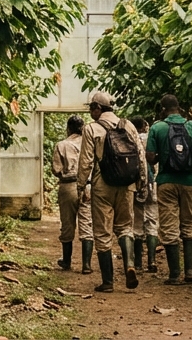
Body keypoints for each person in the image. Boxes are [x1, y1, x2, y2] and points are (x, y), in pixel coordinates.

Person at [77, 91, 146, 292]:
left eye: (91, 108)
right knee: (125, 227)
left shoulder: (91, 129)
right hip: (126, 184)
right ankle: (130, 265)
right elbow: (140, 156)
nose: (90, 111)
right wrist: (142, 181)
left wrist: (81, 186)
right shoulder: (128, 125)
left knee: (102, 231)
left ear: (98, 108)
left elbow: (85, 161)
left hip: (102, 185)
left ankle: (108, 282)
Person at [144, 93, 192, 285]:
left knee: (169, 226)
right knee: (189, 224)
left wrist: (164, 159)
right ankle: (190, 272)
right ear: (179, 108)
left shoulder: (157, 127)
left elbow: (149, 156)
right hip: (189, 181)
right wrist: (189, 162)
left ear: (163, 109)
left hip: (166, 181)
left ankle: (174, 274)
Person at [51, 115, 94, 273]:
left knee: (67, 224)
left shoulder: (61, 145)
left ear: (68, 128)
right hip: (88, 187)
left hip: (68, 185)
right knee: (87, 223)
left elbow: (56, 169)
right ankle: (87, 265)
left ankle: (67, 261)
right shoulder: (90, 143)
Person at [131, 117, 159, 274]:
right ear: (144, 127)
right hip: (153, 184)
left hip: (136, 185)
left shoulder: (130, 139)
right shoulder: (151, 139)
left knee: (137, 223)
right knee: (152, 222)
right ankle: (152, 260)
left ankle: (138, 263)